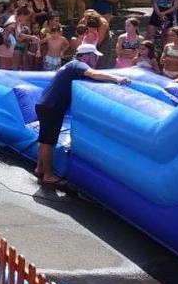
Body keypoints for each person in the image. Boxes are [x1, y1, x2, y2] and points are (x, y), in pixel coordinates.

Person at [33, 44, 131, 187]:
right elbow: (93, 74)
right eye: (94, 55)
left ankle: (40, 169)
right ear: (85, 56)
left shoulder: (71, 66)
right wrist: (117, 78)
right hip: (52, 107)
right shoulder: (78, 64)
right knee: (49, 142)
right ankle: (48, 175)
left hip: (45, 104)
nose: (96, 59)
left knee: (45, 140)